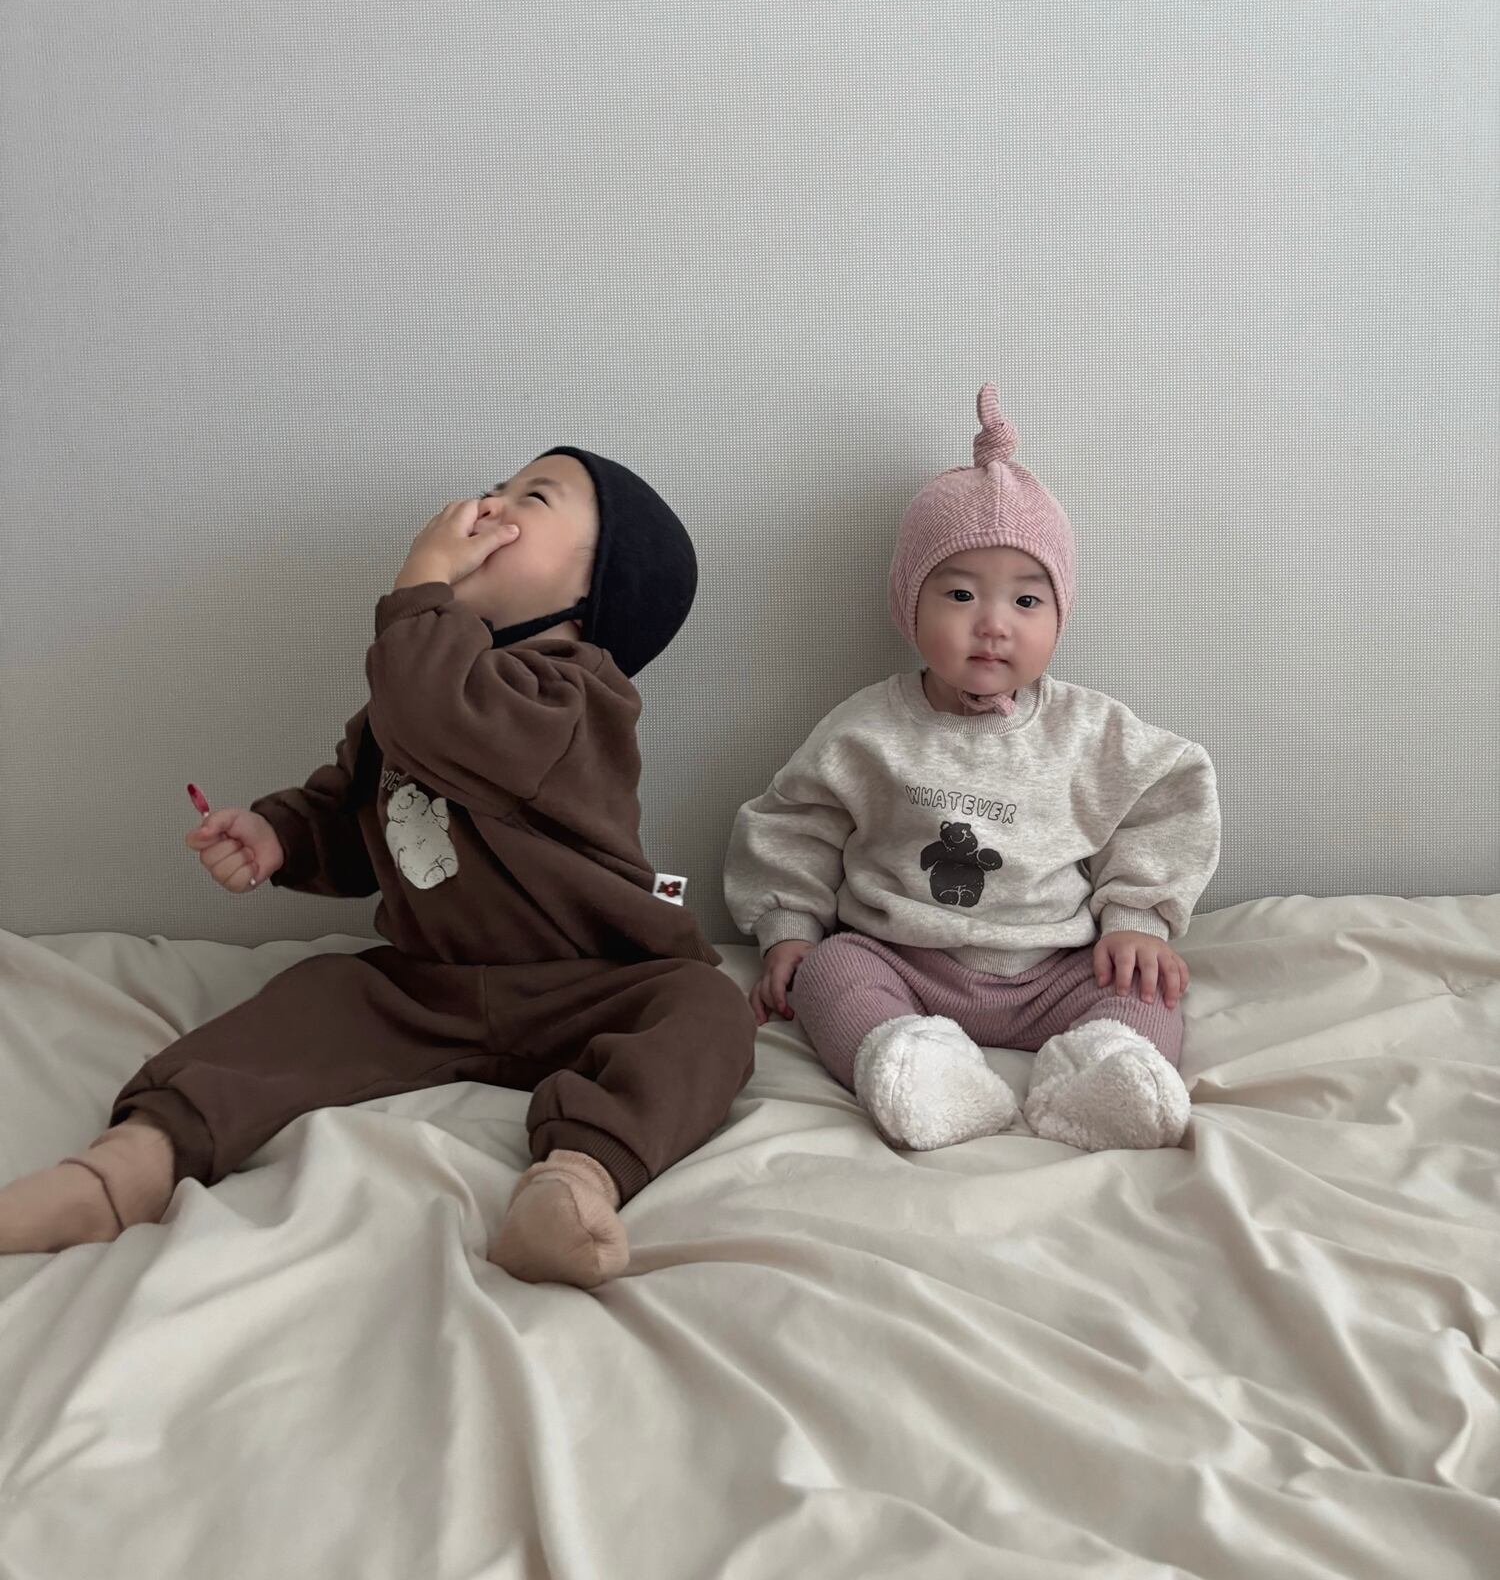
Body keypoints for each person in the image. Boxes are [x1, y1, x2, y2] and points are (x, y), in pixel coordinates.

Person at [0, 443, 754, 1287]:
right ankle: (126, 1166)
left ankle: (577, 1182)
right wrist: (281, 835)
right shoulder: (416, 691)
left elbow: (444, 719)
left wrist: (422, 584)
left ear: (594, 594)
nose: (487, 505)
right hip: (429, 984)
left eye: (532, 498)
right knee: (311, 998)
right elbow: (360, 810)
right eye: (496, 487)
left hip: (587, 982)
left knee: (704, 1009)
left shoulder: (577, 699)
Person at [723, 382, 1221, 1154]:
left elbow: (1170, 792)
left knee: (1145, 990)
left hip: (1054, 968)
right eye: (959, 594)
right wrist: (788, 928)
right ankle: (913, 1064)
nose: (992, 625)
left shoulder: (1088, 731)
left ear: (1059, 614)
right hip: (904, 961)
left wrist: (1136, 919)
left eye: (1026, 601)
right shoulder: (867, 729)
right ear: (909, 604)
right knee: (829, 973)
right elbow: (794, 824)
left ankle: (1106, 1070)